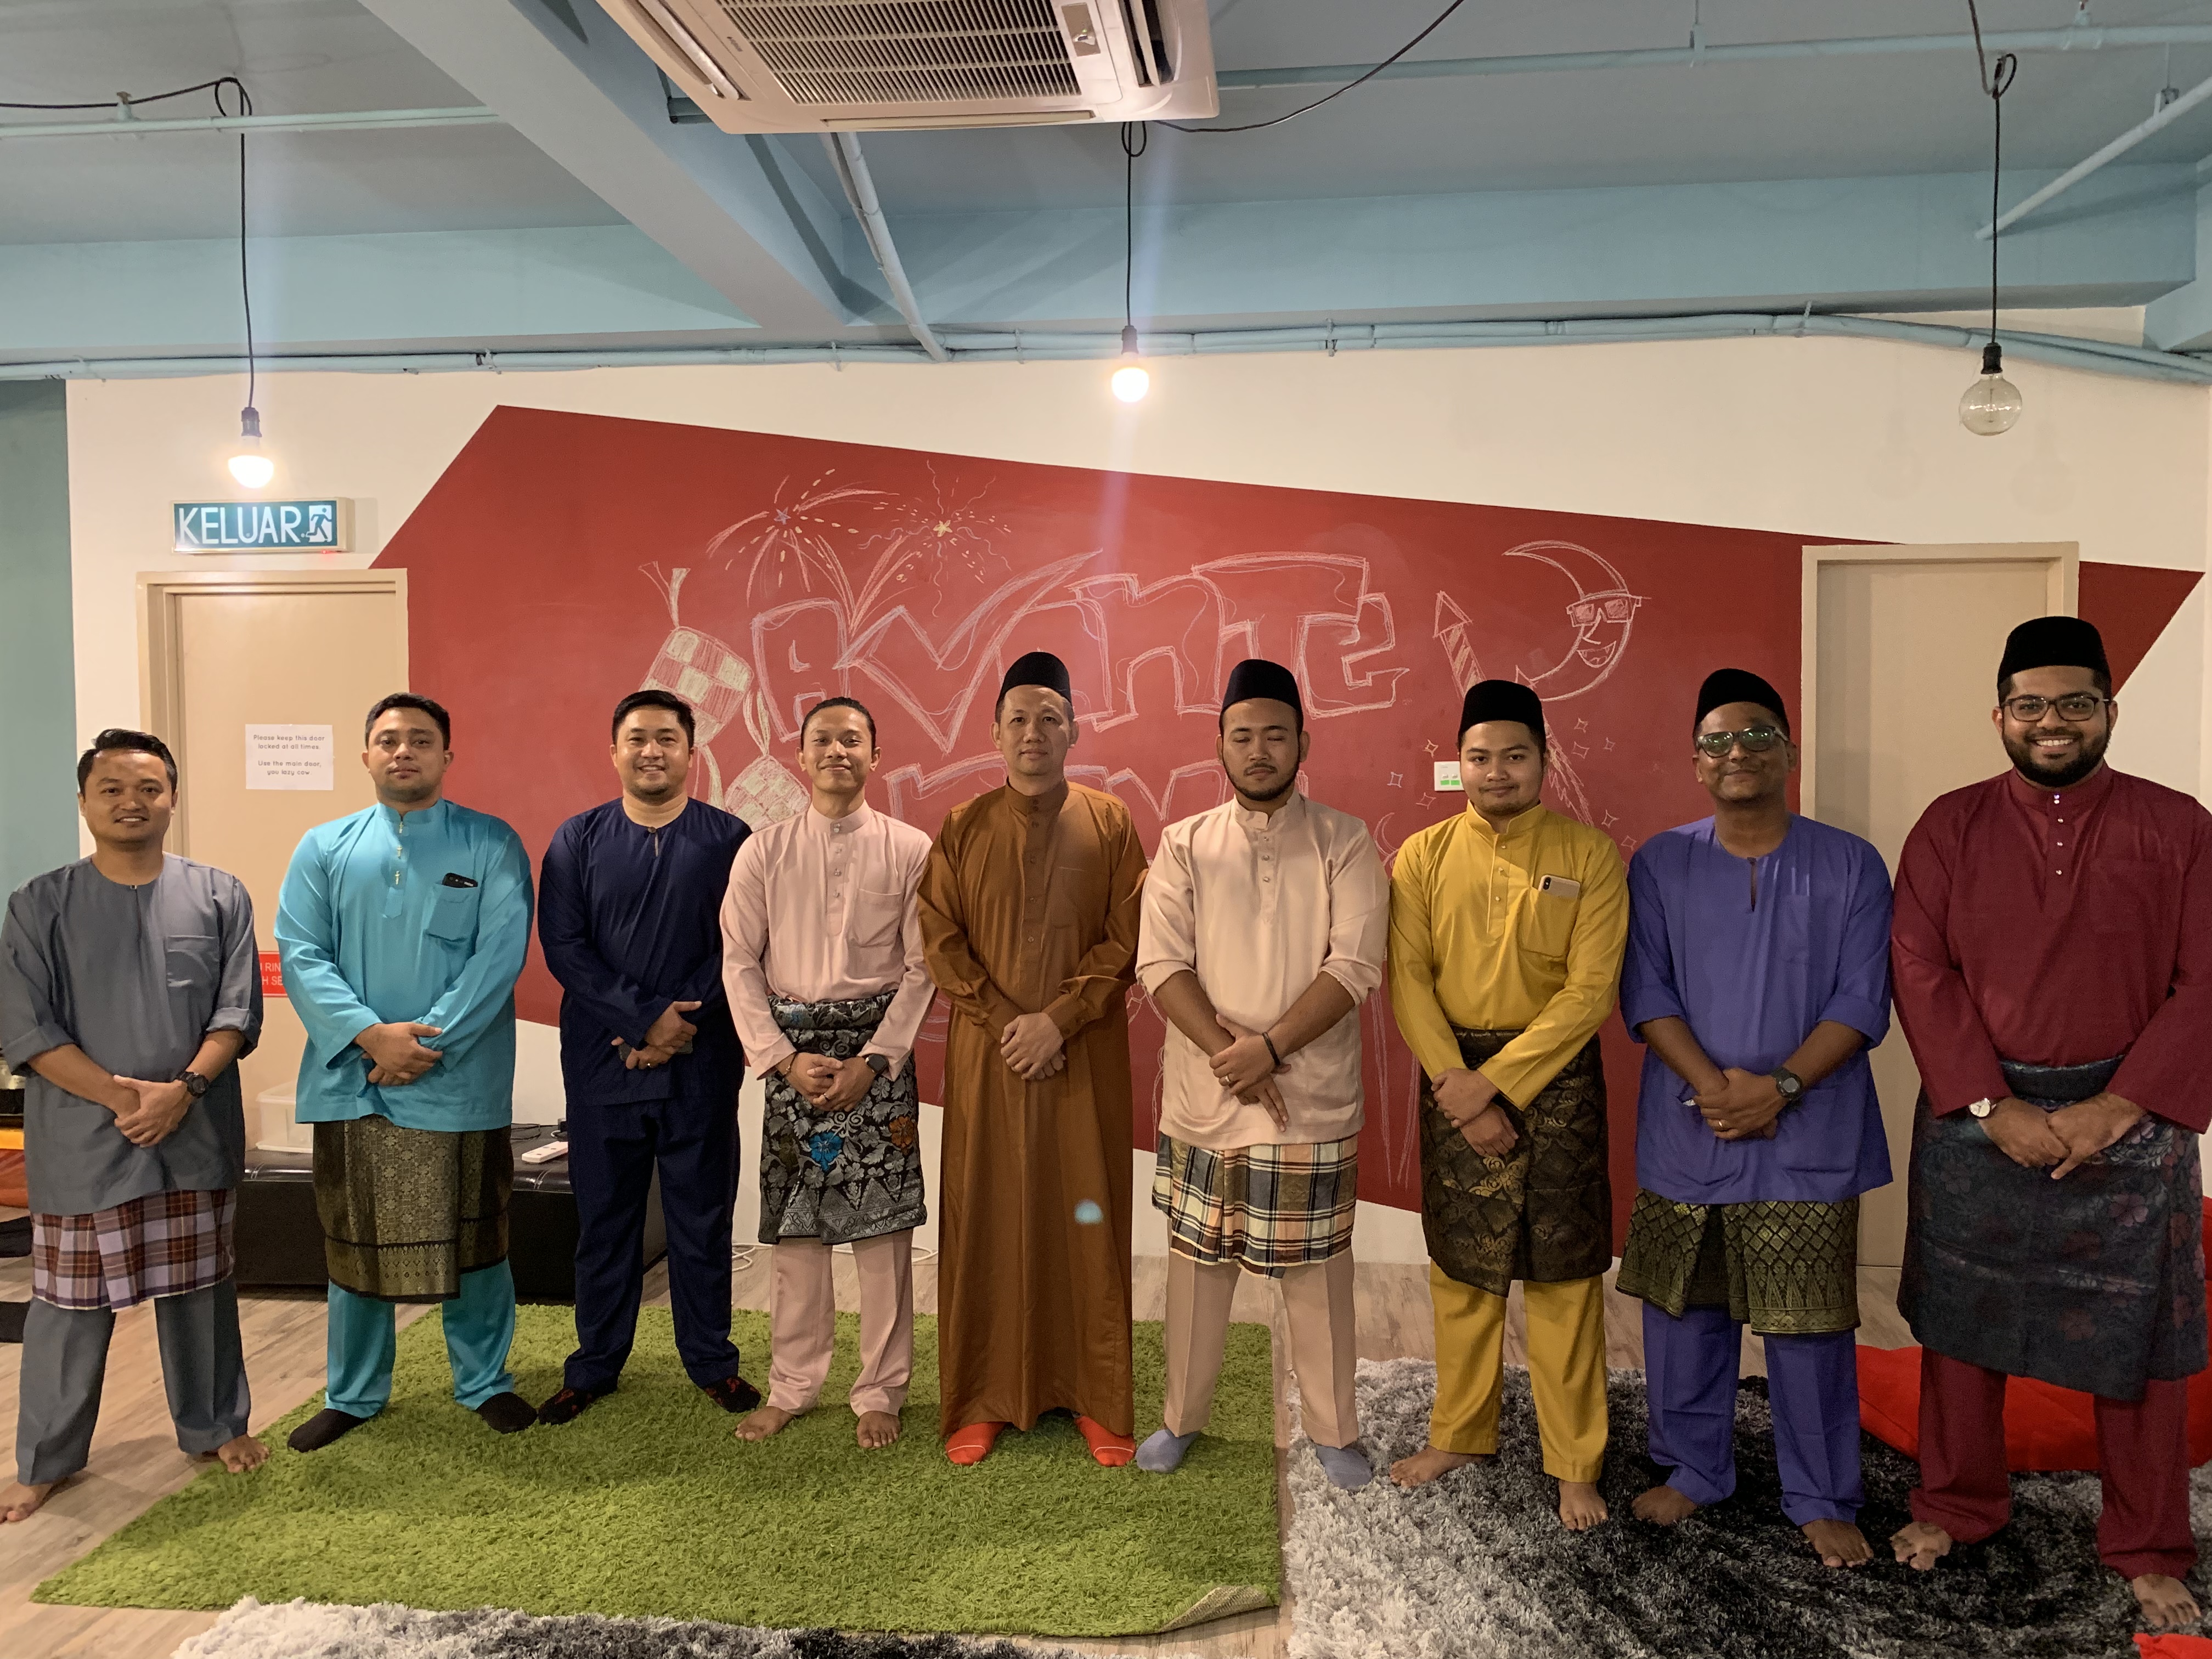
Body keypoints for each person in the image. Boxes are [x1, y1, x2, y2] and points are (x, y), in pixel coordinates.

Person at [1888, 616, 2211, 1632]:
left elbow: (2208, 977)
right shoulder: (1949, 825)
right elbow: (1920, 969)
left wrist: (2120, 1106)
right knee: (1961, 1322)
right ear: (2000, 716)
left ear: (2111, 709)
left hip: (2136, 1118)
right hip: (1981, 1115)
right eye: (2030, 705)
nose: (2052, 721)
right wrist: (1994, 1106)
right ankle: (1957, 1504)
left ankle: (2149, 1544)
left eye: (2075, 702)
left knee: (2142, 1339)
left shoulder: (2180, 825)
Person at [1613, 669, 1893, 1568]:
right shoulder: (1661, 862)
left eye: (1758, 735)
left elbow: (1863, 998)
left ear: (1789, 753)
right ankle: (1696, 1467)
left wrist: (1780, 1087)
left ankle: (1821, 1493)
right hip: (1690, 1125)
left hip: (1809, 1129)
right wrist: (1717, 1088)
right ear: (1697, 762)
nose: (1738, 752)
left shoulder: (1850, 863)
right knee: (1686, 1313)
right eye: (1718, 741)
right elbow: (1646, 990)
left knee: (1810, 1324)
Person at [1133, 658, 1387, 1490]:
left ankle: (1335, 1430)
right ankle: (1182, 1418)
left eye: (1275, 735)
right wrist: (1233, 1054)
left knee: (1317, 1273)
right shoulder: (1184, 843)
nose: (1258, 750)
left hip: (1309, 1100)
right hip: (1207, 1097)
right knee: (1196, 1268)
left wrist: (1269, 1050)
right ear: (1219, 746)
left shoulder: (1345, 840)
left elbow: (1354, 966)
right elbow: (1160, 963)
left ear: (1303, 744)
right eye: (1242, 736)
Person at [0, 730, 266, 1522]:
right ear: (85, 802)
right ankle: (46, 1459)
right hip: (83, 1139)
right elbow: (27, 1030)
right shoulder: (39, 904)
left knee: (202, 1293)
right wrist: (124, 1100)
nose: (131, 802)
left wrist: (182, 1091)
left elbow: (236, 1012)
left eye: (148, 788)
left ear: (172, 798)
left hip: (194, 1131)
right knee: (68, 1307)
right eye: (111, 788)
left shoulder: (218, 895)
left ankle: (214, 1427)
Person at [1386, 679, 1628, 1530]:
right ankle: (1460, 1433)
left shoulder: (1590, 856)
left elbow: (1591, 991)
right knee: (1463, 1270)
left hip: (1556, 1080)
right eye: (1480, 757)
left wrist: (1495, 1085)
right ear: (1460, 763)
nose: (1497, 772)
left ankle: (1576, 1465)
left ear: (1543, 761)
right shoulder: (1422, 856)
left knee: (1565, 1278)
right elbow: (1408, 978)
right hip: (1450, 1072)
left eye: (1514, 756)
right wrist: (1461, 1086)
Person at [276, 692, 537, 1449]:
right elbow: (301, 952)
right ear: (365, 754)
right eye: (388, 739)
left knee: (476, 1239)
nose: (403, 752)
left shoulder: (491, 844)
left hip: (458, 1082)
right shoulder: (323, 847)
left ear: (447, 756)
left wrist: (426, 1045)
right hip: (356, 1084)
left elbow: (500, 955)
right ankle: (354, 1394)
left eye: (421, 740)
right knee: (354, 1240)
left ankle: (485, 1382)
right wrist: (369, 1038)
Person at [918, 651, 1148, 1468]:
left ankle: (1096, 1398)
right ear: (995, 733)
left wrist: (1059, 1019)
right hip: (991, 1060)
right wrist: (1008, 1020)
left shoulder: (1112, 824)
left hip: (1082, 1059)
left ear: (1075, 730)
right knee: (985, 1211)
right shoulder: (963, 827)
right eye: (1018, 718)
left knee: (1087, 1214)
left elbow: (1128, 939)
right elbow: (940, 939)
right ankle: (981, 1397)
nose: (1033, 733)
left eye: (1050, 718)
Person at [533, 690, 759, 1425]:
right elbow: (565, 947)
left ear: (692, 753)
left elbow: (741, 944)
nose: (651, 751)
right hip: (603, 1062)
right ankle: (594, 1365)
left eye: (667, 738)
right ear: (614, 752)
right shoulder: (576, 840)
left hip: (701, 1058)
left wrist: (675, 1025)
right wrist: (640, 1020)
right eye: (637, 738)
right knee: (605, 1224)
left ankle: (712, 1361)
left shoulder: (730, 839)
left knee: (702, 1219)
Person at [721, 695, 935, 1450]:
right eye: (823, 739)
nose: (837, 751)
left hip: (877, 1060)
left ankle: (881, 1391)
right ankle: (792, 1387)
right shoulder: (763, 851)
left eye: (852, 739)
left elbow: (923, 966)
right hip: (794, 1062)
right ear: (801, 755)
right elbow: (739, 962)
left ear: (875, 756)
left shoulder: (911, 849)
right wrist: (783, 1059)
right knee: (797, 1240)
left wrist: (875, 1061)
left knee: (884, 1237)